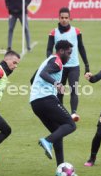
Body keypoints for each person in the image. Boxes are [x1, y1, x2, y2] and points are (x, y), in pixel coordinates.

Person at [30, 40, 76, 168]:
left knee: (58, 132)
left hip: (35, 103)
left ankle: (60, 167)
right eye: (69, 53)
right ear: (61, 51)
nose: (70, 56)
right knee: (70, 125)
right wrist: (57, 84)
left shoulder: (48, 60)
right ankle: (47, 140)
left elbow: (33, 79)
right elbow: (44, 74)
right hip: (46, 100)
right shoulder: (57, 62)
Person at [46, 7, 90, 122]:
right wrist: (51, 63)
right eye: (62, 18)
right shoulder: (53, 32)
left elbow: (81, 48)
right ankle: (59, 114)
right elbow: (48, 50)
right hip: (59, 68)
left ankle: (74, 113)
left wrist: (87, 65)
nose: (64, 20)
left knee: (74, 90)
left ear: (69, 18)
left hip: (74, 67)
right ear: (58, 18)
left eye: (66, 18)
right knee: (59, 91)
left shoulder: (76, 31)